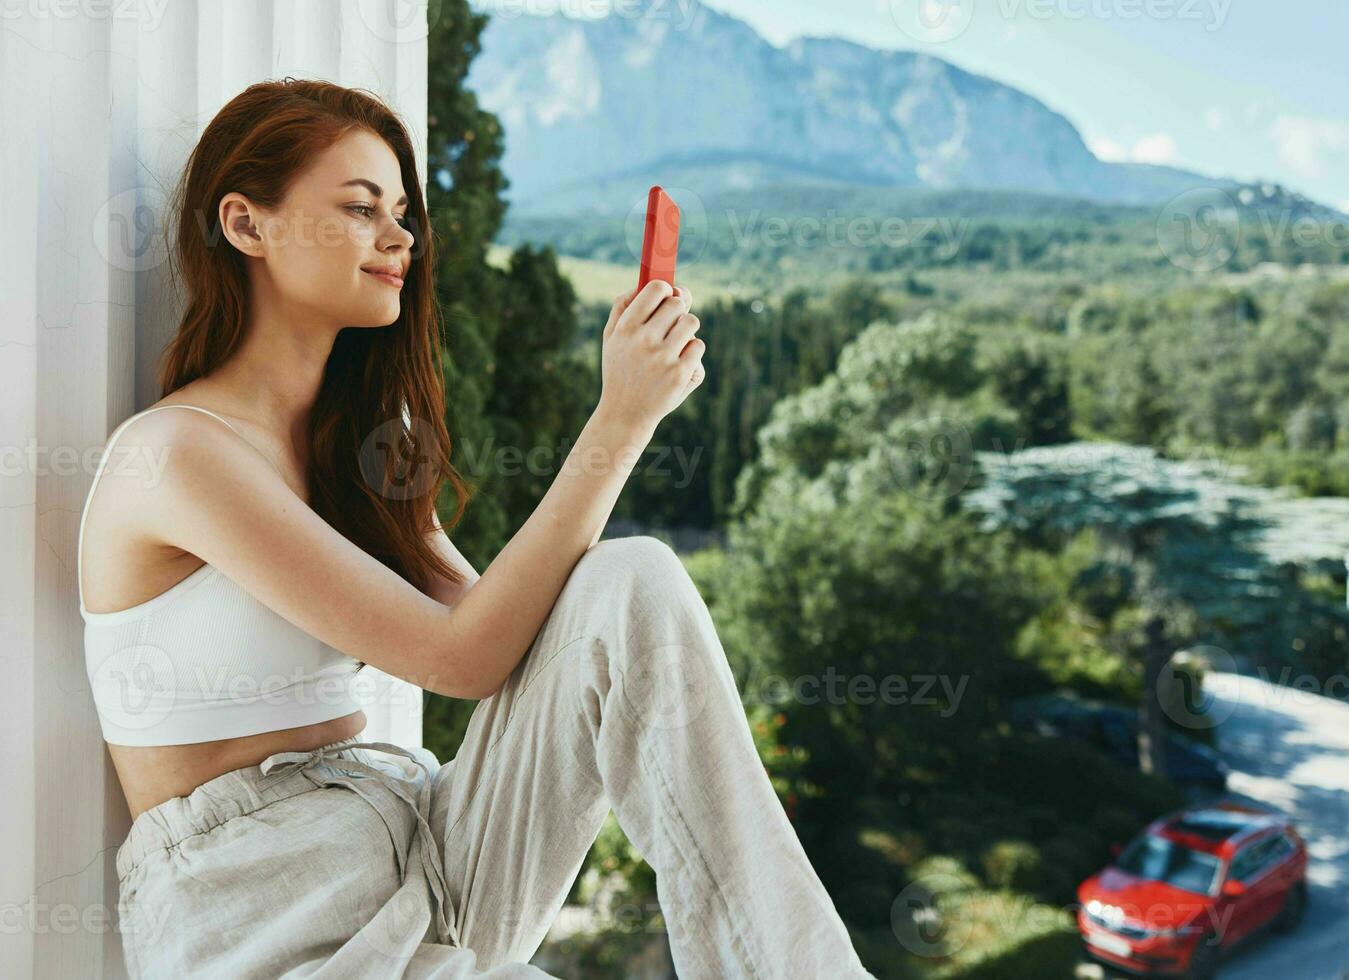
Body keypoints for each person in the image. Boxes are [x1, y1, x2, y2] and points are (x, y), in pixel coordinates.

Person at [77, 77, 874, 979]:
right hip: (267, 919)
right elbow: (461, 658)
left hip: (427, 847)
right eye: (360, 207)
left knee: (630, 581)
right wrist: (617, 424)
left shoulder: (364, 448)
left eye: (403, 214)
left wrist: (628, 415)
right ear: (247, 224)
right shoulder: (183, 454)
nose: (400, 237)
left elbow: (507, 626)